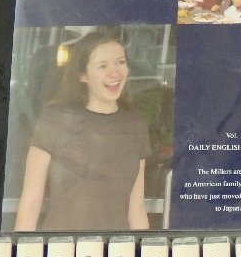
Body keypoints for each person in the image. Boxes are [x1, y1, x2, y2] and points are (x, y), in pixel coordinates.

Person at [14, 29, 152, 231]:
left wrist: (143, 249)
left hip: (116, 247)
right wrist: (21, 248)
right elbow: (31, 201)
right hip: (61, 246)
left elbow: (136, 209)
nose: (115, 73)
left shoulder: (135, 125)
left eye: (120, 62)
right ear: (82, 75)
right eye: (102, 66)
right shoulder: (55, 119)